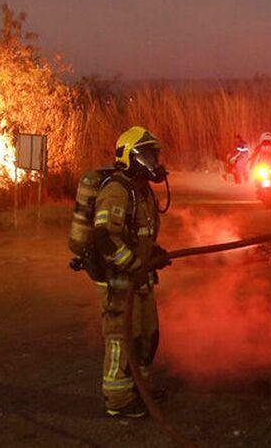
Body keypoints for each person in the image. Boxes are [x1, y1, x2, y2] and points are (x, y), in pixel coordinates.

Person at [95, 126, 170, 418]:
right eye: (148, 155)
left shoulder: (142, 190)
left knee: (146, 335)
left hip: (139, 279)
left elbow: (140, 235)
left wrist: (153, 254)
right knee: (121, 337)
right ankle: (118, 399)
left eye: (155, 154)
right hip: (120, 281)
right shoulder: (117, 190)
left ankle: (138, 388)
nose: (154, 161)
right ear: (130, 157)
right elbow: (105, 239)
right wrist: (136, 264)